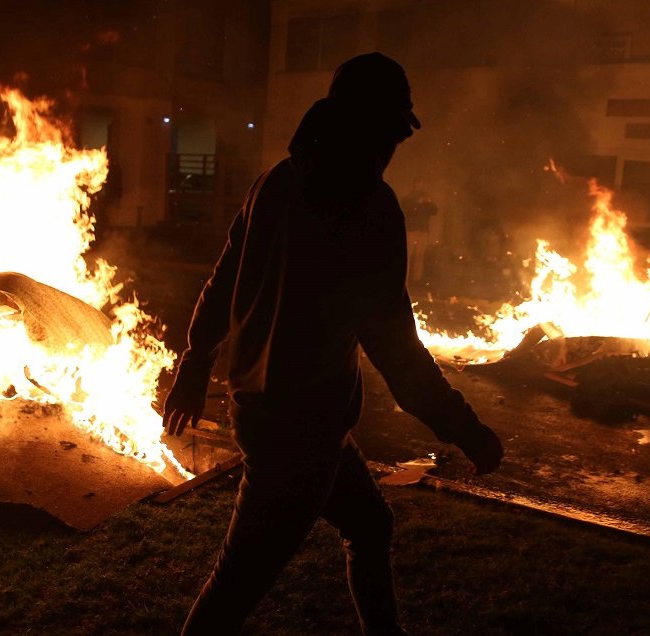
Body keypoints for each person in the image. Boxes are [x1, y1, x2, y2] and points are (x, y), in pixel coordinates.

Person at [162, 52, 503, 636]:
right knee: (233, 586)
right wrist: (467, 430)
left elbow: (221, 283)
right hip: (301, 434)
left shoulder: (275, 182)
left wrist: (195, 367)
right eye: (394, 130)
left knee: (370, 525)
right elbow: (396, 352)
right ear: (370, 126)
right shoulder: (368, 208)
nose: (396, 146)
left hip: (270, 415)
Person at [399, 182, 437, 283]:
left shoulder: (426, 198)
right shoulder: (408, 198)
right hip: (411, 230)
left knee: (420, 255)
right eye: (417, 185)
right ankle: (404, 277)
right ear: (414, 186)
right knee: (408, 254)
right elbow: (403, 209)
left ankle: (416, 278)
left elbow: (434, 211)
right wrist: (416, 203)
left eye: (420, 185)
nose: (419, 187)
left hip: (423, 231)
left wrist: (430, 202)